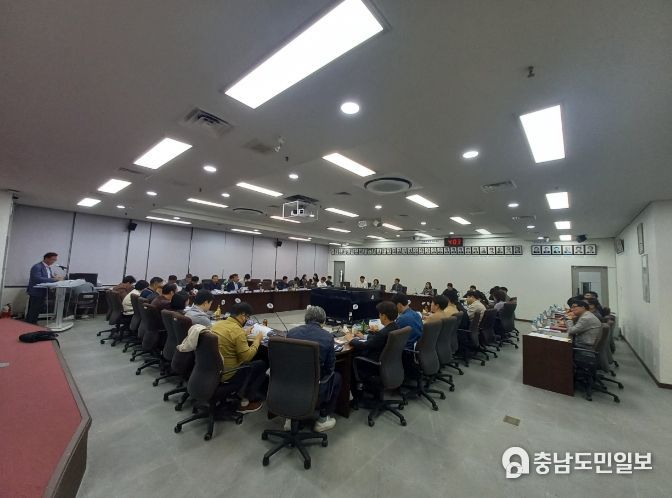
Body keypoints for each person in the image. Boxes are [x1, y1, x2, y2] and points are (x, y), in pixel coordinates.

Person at [287, 306, 341, 432]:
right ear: (323, 321)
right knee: (337, 377)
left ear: (306, 318)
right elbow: (330, 368)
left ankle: (291, 418)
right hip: (313, 385)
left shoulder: (291, 333)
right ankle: (322, 419)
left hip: (289, 383)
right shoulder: (327, 337)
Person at [211, 302, 266, 413]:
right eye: (247, 317)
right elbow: (247, 357)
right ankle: (247, 398)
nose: (247, 320)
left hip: (212, 369)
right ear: (242, 315)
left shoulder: (218, 324)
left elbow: (230, 336)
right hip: (228, 374)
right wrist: (257, 340)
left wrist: (244, 333)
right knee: (262, 364)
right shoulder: (237, 332)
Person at [25, 252, 63, 324]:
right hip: (36, 292)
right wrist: (54, 279)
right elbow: (37, 279)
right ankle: (30, 324)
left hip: (43, 291)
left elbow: (47, 277)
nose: (54, 261)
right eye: (52, 259)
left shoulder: (48, 268)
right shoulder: (37, 267)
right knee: (33, 309)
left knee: (37, 309)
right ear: (46, 258)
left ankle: (32, 323)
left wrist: (55, 277)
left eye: (55, 260)